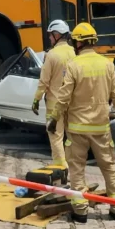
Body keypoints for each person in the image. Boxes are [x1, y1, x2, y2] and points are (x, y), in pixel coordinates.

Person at [47, 21, 115, 223]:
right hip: (101, 128)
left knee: (77, 169)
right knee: (110, 167)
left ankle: (80, 211)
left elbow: (63, 97)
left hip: (77, 130)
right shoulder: (107, 65)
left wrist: (54, 119)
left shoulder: (74, 66)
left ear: (77, 43)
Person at [31, 19, 75, 168]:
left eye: (50, 35)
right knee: (71, 137)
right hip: (72, 102)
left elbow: (44, 82)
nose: (49, 38)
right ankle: (72, 167)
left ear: (57, 35)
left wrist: (36, 99)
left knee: (56, 136)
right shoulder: (74, 53)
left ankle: (61, 168)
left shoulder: (51, 55)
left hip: (54, 104)